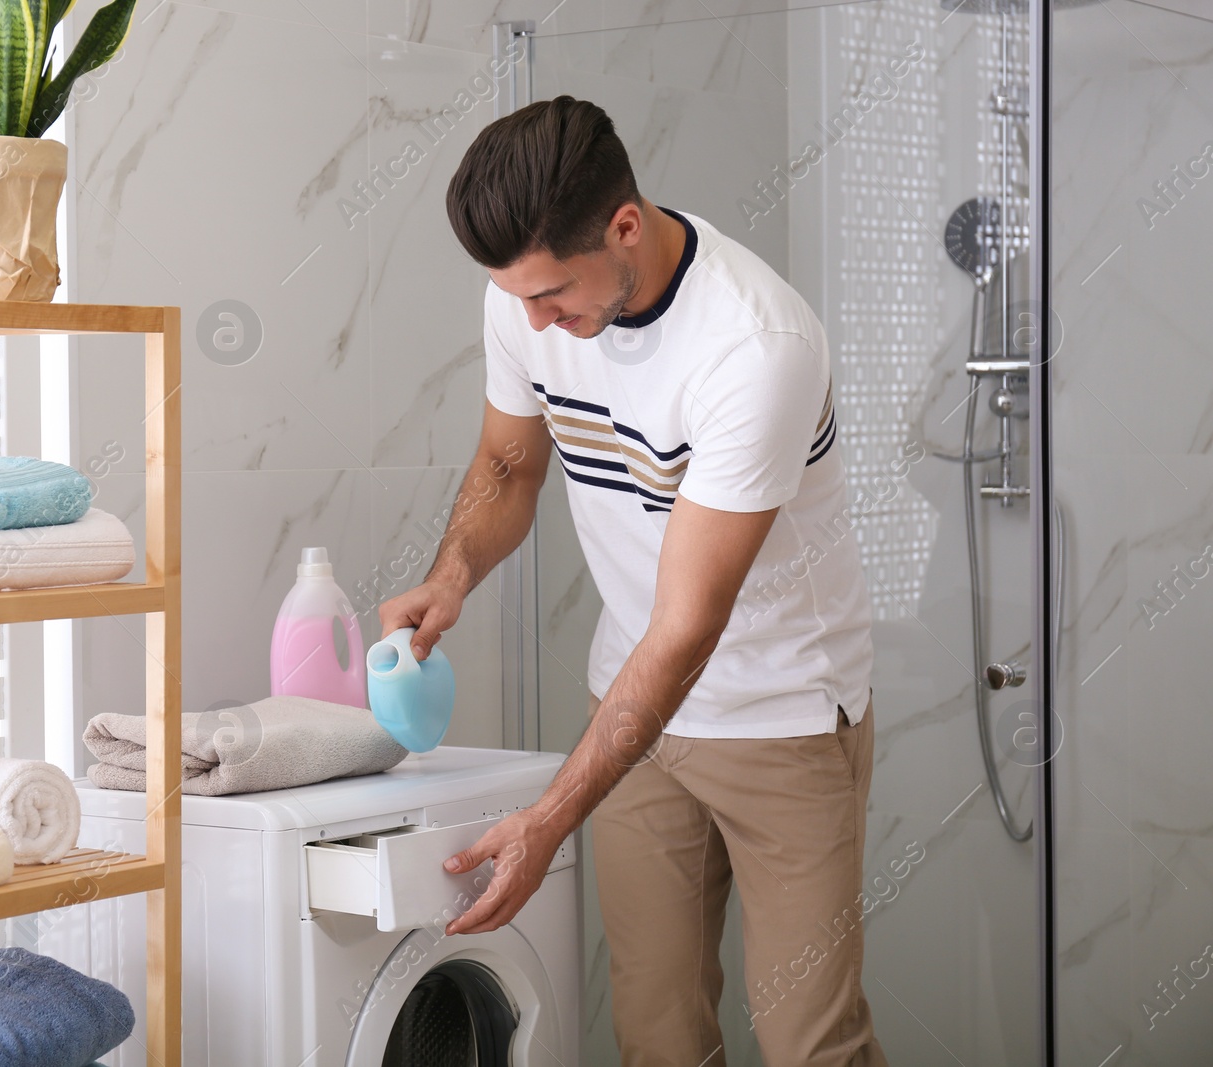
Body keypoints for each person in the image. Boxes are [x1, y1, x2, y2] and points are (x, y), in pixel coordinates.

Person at [377, 96, 887, 1067]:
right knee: (655, 1034)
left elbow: (689, 624)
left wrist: (547, 818)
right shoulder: (522, 297)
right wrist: (452, 578)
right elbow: (507, 465)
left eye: (553, 296)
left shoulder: (753, 344)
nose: (535, 323)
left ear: (623, 227)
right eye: (516, 297)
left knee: (808, 1041)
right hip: (636, 715)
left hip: (780, 714)